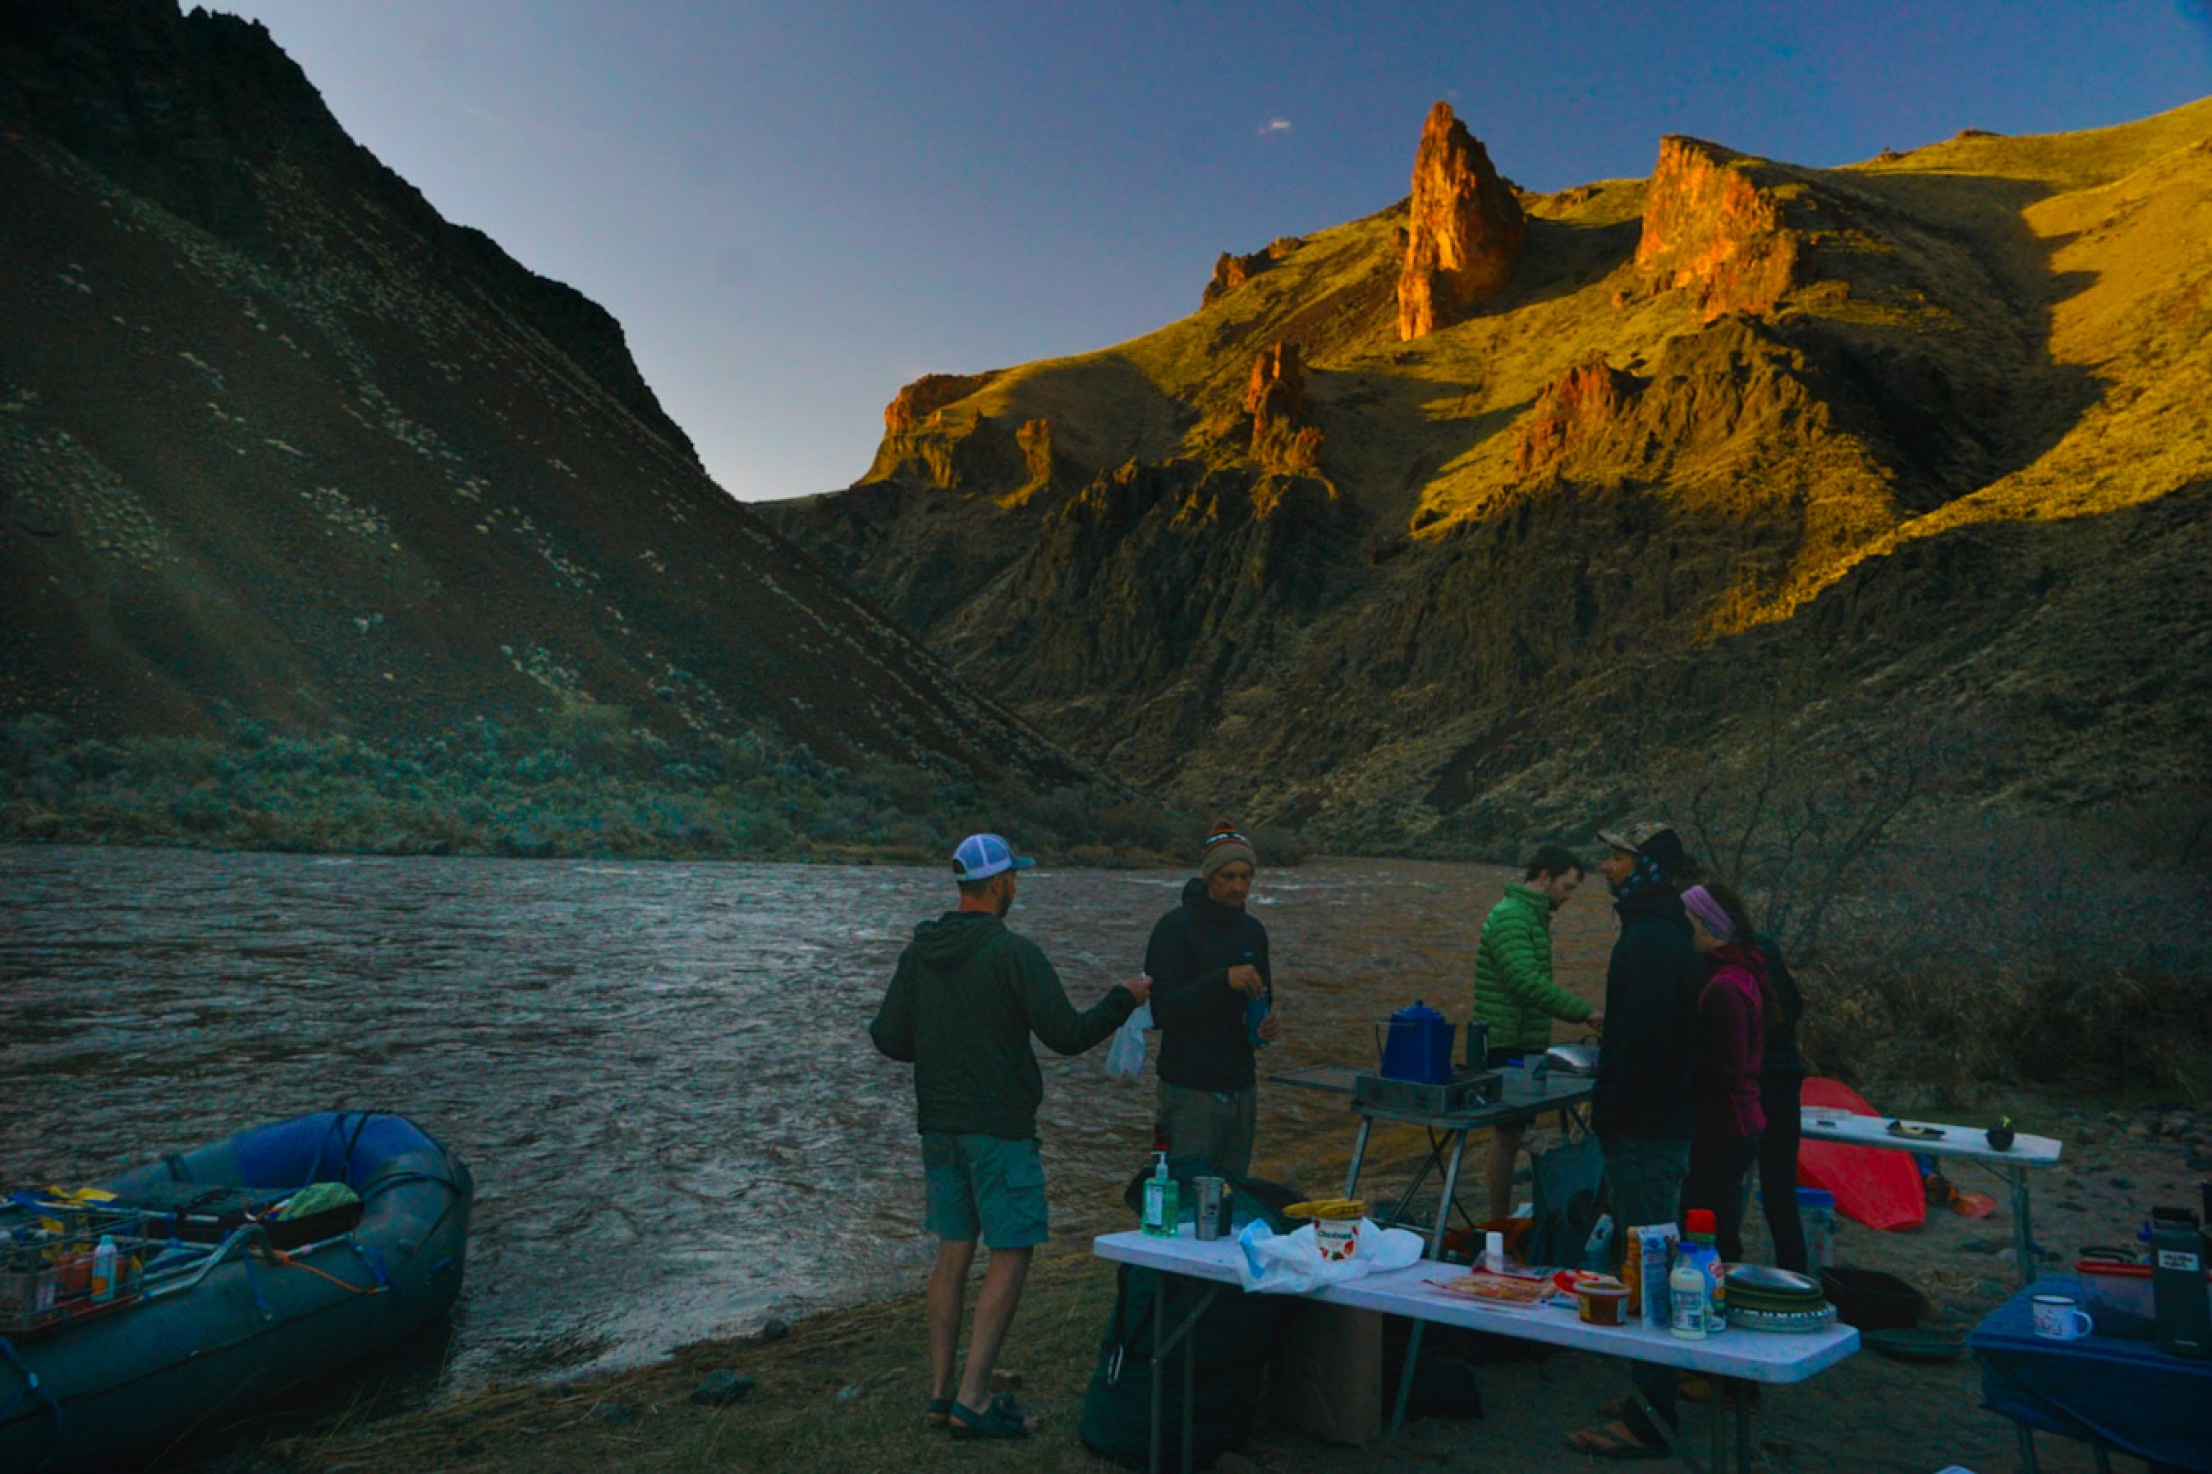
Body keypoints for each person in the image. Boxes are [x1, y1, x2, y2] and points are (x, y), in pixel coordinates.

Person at [869, 832, 1150, 1440]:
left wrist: (944, 1040)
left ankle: (940, 1394)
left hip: (938, 1125)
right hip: (998, 1128)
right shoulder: (1013, 952)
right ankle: (974, 1399)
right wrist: (1122, 999)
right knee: (1012, 1247)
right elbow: (1068, 1034)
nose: (1017, 886)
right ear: (998, 884)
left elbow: (889, 1038)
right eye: (1014, 877)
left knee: (952, 1249)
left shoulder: (920, 952)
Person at [1569, 820, 1704, 1462]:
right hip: (1659, 1121)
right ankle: (1648, 1395)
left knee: (1649, 1264)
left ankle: (1650, 1420)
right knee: (1649, 1256)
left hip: (1646, 1128)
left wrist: (1612, 1109)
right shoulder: (1663, 932)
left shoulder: (1648, 942)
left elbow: (1643, 1046)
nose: (1607, 866)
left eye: (1619, 856)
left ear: (1645, 867)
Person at [1470, 843, 1604, 1220]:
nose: (1569, 895)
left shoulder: (1530, 916)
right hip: (1503, 1040)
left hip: (1522, 1038)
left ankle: (1510, 1219)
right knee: (1508, 1134)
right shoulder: (1513, 916)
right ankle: (1498, 1224)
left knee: (1513, 1133)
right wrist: (1585, 1013)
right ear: (1544, 877)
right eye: (1568, 886)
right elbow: (1524, 981)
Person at [1144, 821, 1278, 1177]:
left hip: (1242, 1087)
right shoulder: (1175, 928)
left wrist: (1266, 1026)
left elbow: (1264, 997)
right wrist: (1222, 980)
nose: (1238, 887)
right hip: (1190, 1090)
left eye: (1246, 877)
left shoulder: (1253, 931)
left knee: (1233, 1200)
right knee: (1182, 1199)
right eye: (1228, 876)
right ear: (1209, 877)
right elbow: (1162, 1010)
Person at [1707, 881, 1811, 1271]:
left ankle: (1727, 1268)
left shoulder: (1725, 967)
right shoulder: (1765, 948)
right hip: (1787, 1076)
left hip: (1755, 1082)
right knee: (1779, 1186)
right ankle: (1795, 1273)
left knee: (1727, 1181)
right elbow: (1795, 1004)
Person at [1680, 883, 1770, 1264]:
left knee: (1712, 1227)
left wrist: (1676, 1065)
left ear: (1704, 926)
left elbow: (1726, 1070)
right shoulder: (1741, 973)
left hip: (1724, 1127)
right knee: (1719, 1222)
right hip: (1738, 1122)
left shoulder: (1723, 988)